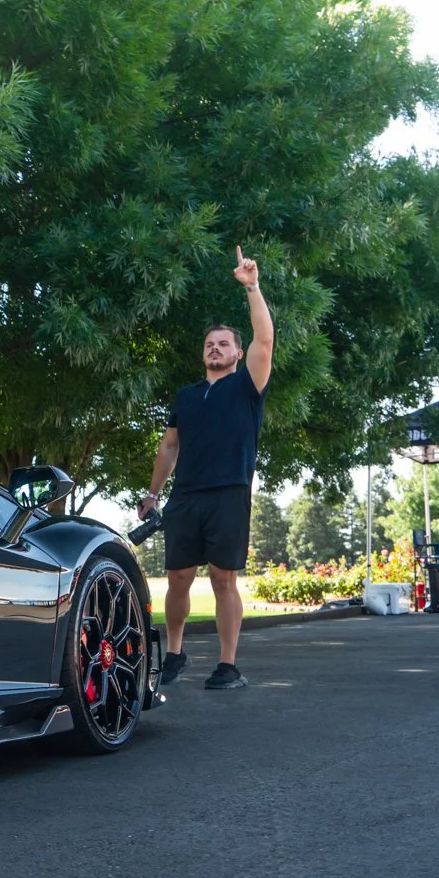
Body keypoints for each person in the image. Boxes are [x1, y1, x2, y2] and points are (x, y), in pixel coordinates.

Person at [140, 247, 274, 690]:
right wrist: (154, 493)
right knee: (178, 577)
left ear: (238, 352)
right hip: (186, 496)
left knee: (223, 578)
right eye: (209, 345)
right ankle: (175, 654)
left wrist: (251, 286)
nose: (215, 349)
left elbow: (266, 338)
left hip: (229, 490)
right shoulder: (185, 395)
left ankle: (228, 665)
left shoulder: (247, 384)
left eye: (224, 344)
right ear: (203, 354)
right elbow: (169, 445)